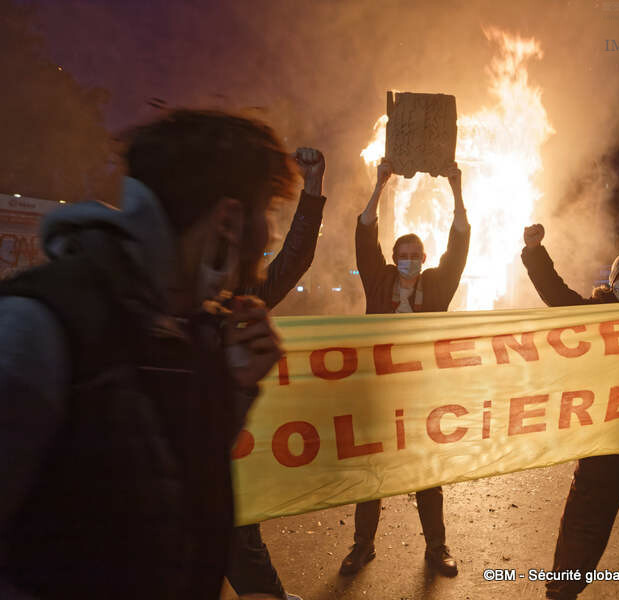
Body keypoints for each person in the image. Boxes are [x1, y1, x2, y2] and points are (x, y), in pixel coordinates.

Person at [0, 110, 289, 599]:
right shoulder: (38, 327)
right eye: (268, 218)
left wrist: (233, 389)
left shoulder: (182, 328)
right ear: (229, 221)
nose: (268, 243)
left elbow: (166, 492)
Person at [521, 223, 619, 600]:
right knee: (584, 521)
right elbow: (557, 296)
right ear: (611, 281)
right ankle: (563, 588)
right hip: (603, 440)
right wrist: (534, 251)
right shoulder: (593, 314)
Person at [339, 158, 470, 577]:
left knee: (426, 471)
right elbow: (364, 231)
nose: (410, 260)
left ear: (424, 258)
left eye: (416, 255)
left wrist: (457, 189)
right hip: (378, 391)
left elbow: (460, 242)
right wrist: (380, 184)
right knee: (373, 473)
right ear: (394, 258)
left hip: (423, 394)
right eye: (403, 255)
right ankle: (363, 546)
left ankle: (437, 548)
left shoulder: (436, 284)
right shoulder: (378, 282)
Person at [227, 147, 326, 600]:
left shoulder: (245, 296)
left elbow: (294, 258)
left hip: (225, 474)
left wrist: (313, 187)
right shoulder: (151, 303)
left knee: (244, 552)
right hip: (168, 492)